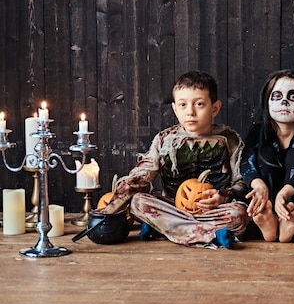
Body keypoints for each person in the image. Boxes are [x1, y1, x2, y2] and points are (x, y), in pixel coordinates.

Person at [99, 71, 249, 248]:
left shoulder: (229, 139)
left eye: (199, 104)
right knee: (138, 201)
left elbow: (242, 182)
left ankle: (164, 228)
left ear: (214, 108)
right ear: (175, 109)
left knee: (239, 213)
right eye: (183, 105)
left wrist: (223, 196)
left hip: (212, 209)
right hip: (172, 206)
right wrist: (107, 211)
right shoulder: (165, 140)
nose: (190, 112)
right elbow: (141, 176)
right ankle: (212, 234)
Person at [240, 69, 294, 242]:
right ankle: (270, 220)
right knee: (266, 153)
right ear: (267, 101)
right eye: (277, 96)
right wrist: (258, 185)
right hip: (266, 201)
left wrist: (285, 193)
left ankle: (287, 218)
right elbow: (245, 161)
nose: (284, 102)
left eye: (293, 96)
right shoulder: (258, 132)